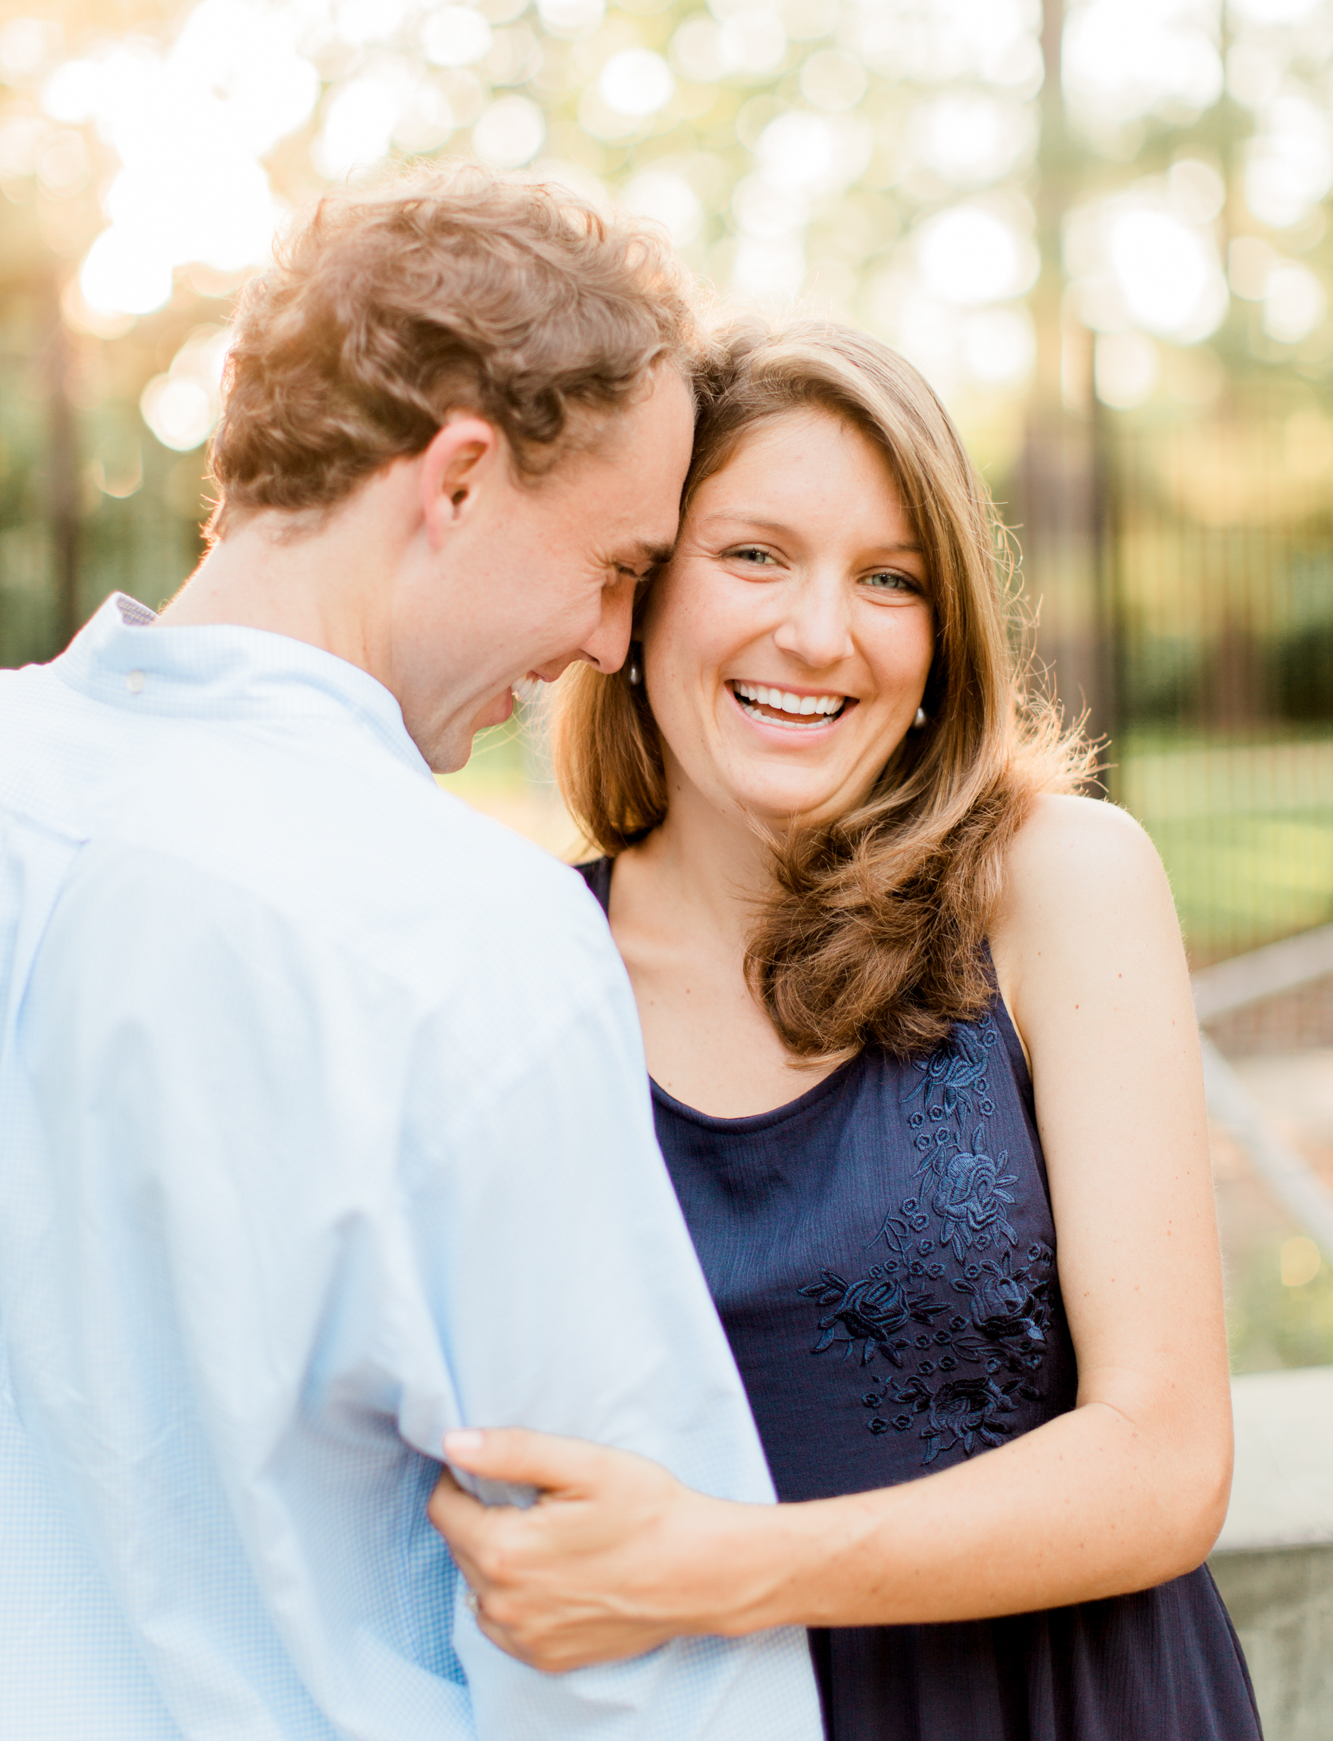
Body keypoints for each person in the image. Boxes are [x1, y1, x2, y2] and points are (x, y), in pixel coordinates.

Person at [0, 177, 825, 1741]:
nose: (602, 642)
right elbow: (633, 1642)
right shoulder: (463, 938)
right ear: (454, 480)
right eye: (613, 564)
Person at [428, 317, 1263, 1740]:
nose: (819, 635)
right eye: (754, 555)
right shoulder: (507, 956)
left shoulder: (1056, 881)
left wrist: (720, 1569)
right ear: (638, 597)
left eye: (891, 580)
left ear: (942, 638)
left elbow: (1164, 1462)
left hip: (1067, 1703)